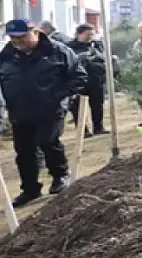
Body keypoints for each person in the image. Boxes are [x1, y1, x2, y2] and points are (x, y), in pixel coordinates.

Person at [0, 19, 87, 207]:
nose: (17, 41)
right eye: (13, 38)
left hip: (51, 109)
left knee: (47, 141)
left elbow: (78, 76)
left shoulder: (57, 51)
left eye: (22, 36)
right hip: (20, 111)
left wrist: (60, 97)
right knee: (24, 151)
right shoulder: (6, 55)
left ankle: (60, 176)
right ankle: (30, 189)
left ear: (36, 32)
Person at [68, 24, 109, 136]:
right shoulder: (70, 47)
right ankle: (83, 131)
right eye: (87, 34)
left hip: (97, 80)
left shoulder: (97, 45)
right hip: (80, 81)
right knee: (77, 107)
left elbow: (104, 58)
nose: (90, 36)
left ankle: (98, 128)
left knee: (97, 105)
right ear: (79, 34)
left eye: (92, 34)